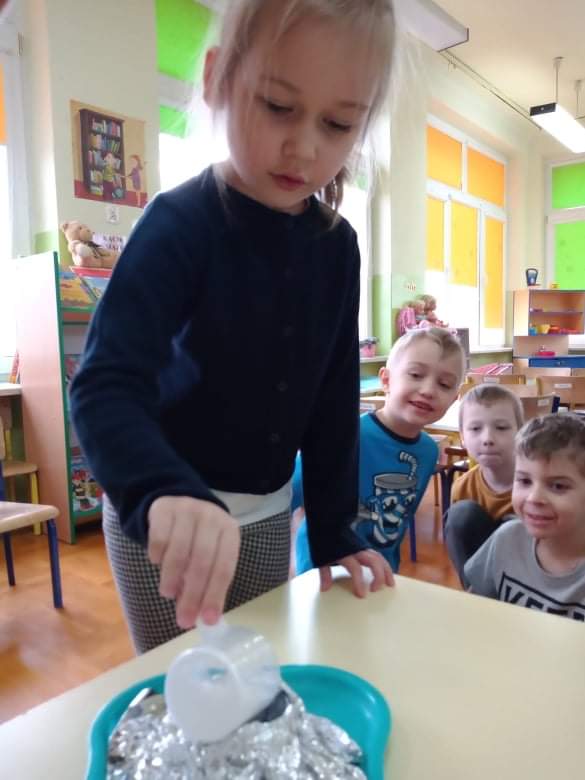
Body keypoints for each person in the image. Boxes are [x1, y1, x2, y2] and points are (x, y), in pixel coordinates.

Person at [69, 0, 397, 654]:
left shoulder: (337, 246)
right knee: (180, 683)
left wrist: (333, 531)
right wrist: (159, 490)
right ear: (218, 80)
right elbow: (104, 385)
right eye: (277, 105)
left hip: (268, 516)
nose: (305, 147)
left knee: (254, 669)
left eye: (338, 124)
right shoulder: (179, 222)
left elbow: (332, 399)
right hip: (166, 524)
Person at [294, 327, 466, 574]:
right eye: (416, 375)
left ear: (454, 398)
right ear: (386, 380)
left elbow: (398, 525)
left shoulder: (428, 452)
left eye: (444, 384)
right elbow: (287, 497)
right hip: (324, 570)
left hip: (380, 571)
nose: (428, 390)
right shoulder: (344, 437)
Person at [464, 414, 585, 621]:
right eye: (524, 481)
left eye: (558, 486)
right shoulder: (506, 539)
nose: (534, 498)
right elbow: (473, 608)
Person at [445, 384, 524, 585]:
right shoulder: (463, 487)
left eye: (501, 428)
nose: (488, 439)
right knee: (460, 514)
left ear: (520, 433)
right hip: (481, 574)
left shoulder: (537, 482)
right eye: (475, 429)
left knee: (515, 525)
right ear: (462, 437)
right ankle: (474, 591)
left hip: (526, 574)